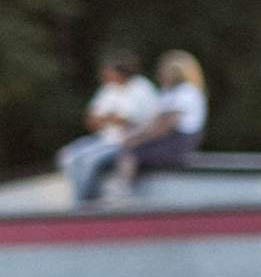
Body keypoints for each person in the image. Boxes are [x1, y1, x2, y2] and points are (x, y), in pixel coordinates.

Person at [96, 50, 208, 198]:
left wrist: (138, 139)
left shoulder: (186, 93)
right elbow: (155, 122)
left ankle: (123, 188)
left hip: (180, 141)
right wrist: (137, 135)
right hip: (173, 138)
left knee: (132, 153)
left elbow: (165, 126)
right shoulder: (170, 92)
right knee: (131, 148)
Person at [57, 49, 159, 206]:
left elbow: (129, 121)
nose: (105, 76)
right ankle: (79, 197)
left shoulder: (141, 88)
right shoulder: (108, 90)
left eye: (109, 71)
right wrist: (111, 118)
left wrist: (108, 118)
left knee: (90, 161)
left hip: (128, 142)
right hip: (106, 138)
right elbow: (92, 121)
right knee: (68, 156)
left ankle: (85, 204)